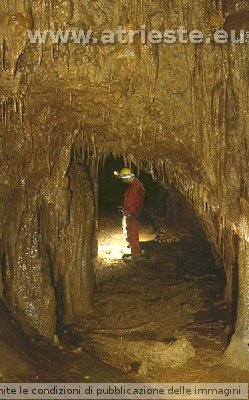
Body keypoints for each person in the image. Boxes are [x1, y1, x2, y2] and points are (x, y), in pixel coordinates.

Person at [114, 168, 145, 262]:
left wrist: (127, 212)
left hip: (132, 214)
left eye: (123, 178)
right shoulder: (136, 184)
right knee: (132, 233)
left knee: (132, 233)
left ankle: (136, 255)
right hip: (133, 212)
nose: (122, 180)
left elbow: (132, 202)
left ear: (127, 177)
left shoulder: (134, 187)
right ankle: (135, 251)